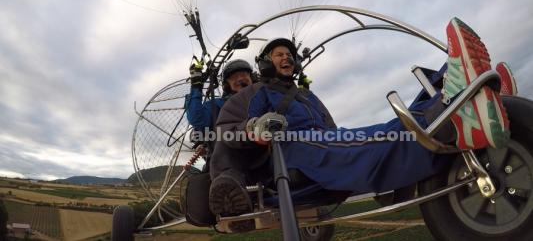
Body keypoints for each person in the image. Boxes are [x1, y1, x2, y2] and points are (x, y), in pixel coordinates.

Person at [208, 18, 510, 231]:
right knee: (375, 140)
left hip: (324, 142)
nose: (286, 58)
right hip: (292, 151)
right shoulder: (257, 92)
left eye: (289, 54)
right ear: (264, 64)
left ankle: (455, 94)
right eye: (278, 55)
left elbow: (334, 131)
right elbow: (230, 128)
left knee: (383, 131)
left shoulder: (305, 94)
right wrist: (255, 129)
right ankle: (456, 120)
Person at [185, 59, 254, 152]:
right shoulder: (219, 105)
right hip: (231, 158)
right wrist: (197, 87)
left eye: (243, 74)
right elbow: (196, 118)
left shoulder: (264, 97)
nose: (240, 79)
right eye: (234, 77)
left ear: (251, 78)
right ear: (227, 84)